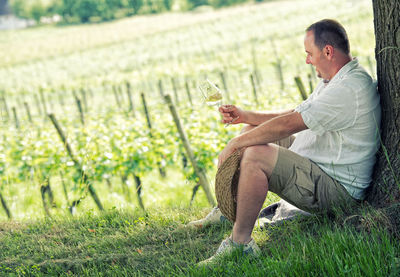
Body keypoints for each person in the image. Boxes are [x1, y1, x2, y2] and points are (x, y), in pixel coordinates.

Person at [193, 19, 381, 265]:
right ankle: (230, 209)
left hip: (336, 189)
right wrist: (246, 117)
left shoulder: (349, 89)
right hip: (318, 163)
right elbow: (295, 114)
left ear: (327, 51)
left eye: (309, 54)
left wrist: (235, 144)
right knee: (253, 130)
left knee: (255, 154)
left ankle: (240, 245)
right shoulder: (337, 79)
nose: (307, 61)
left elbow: (289, 124)